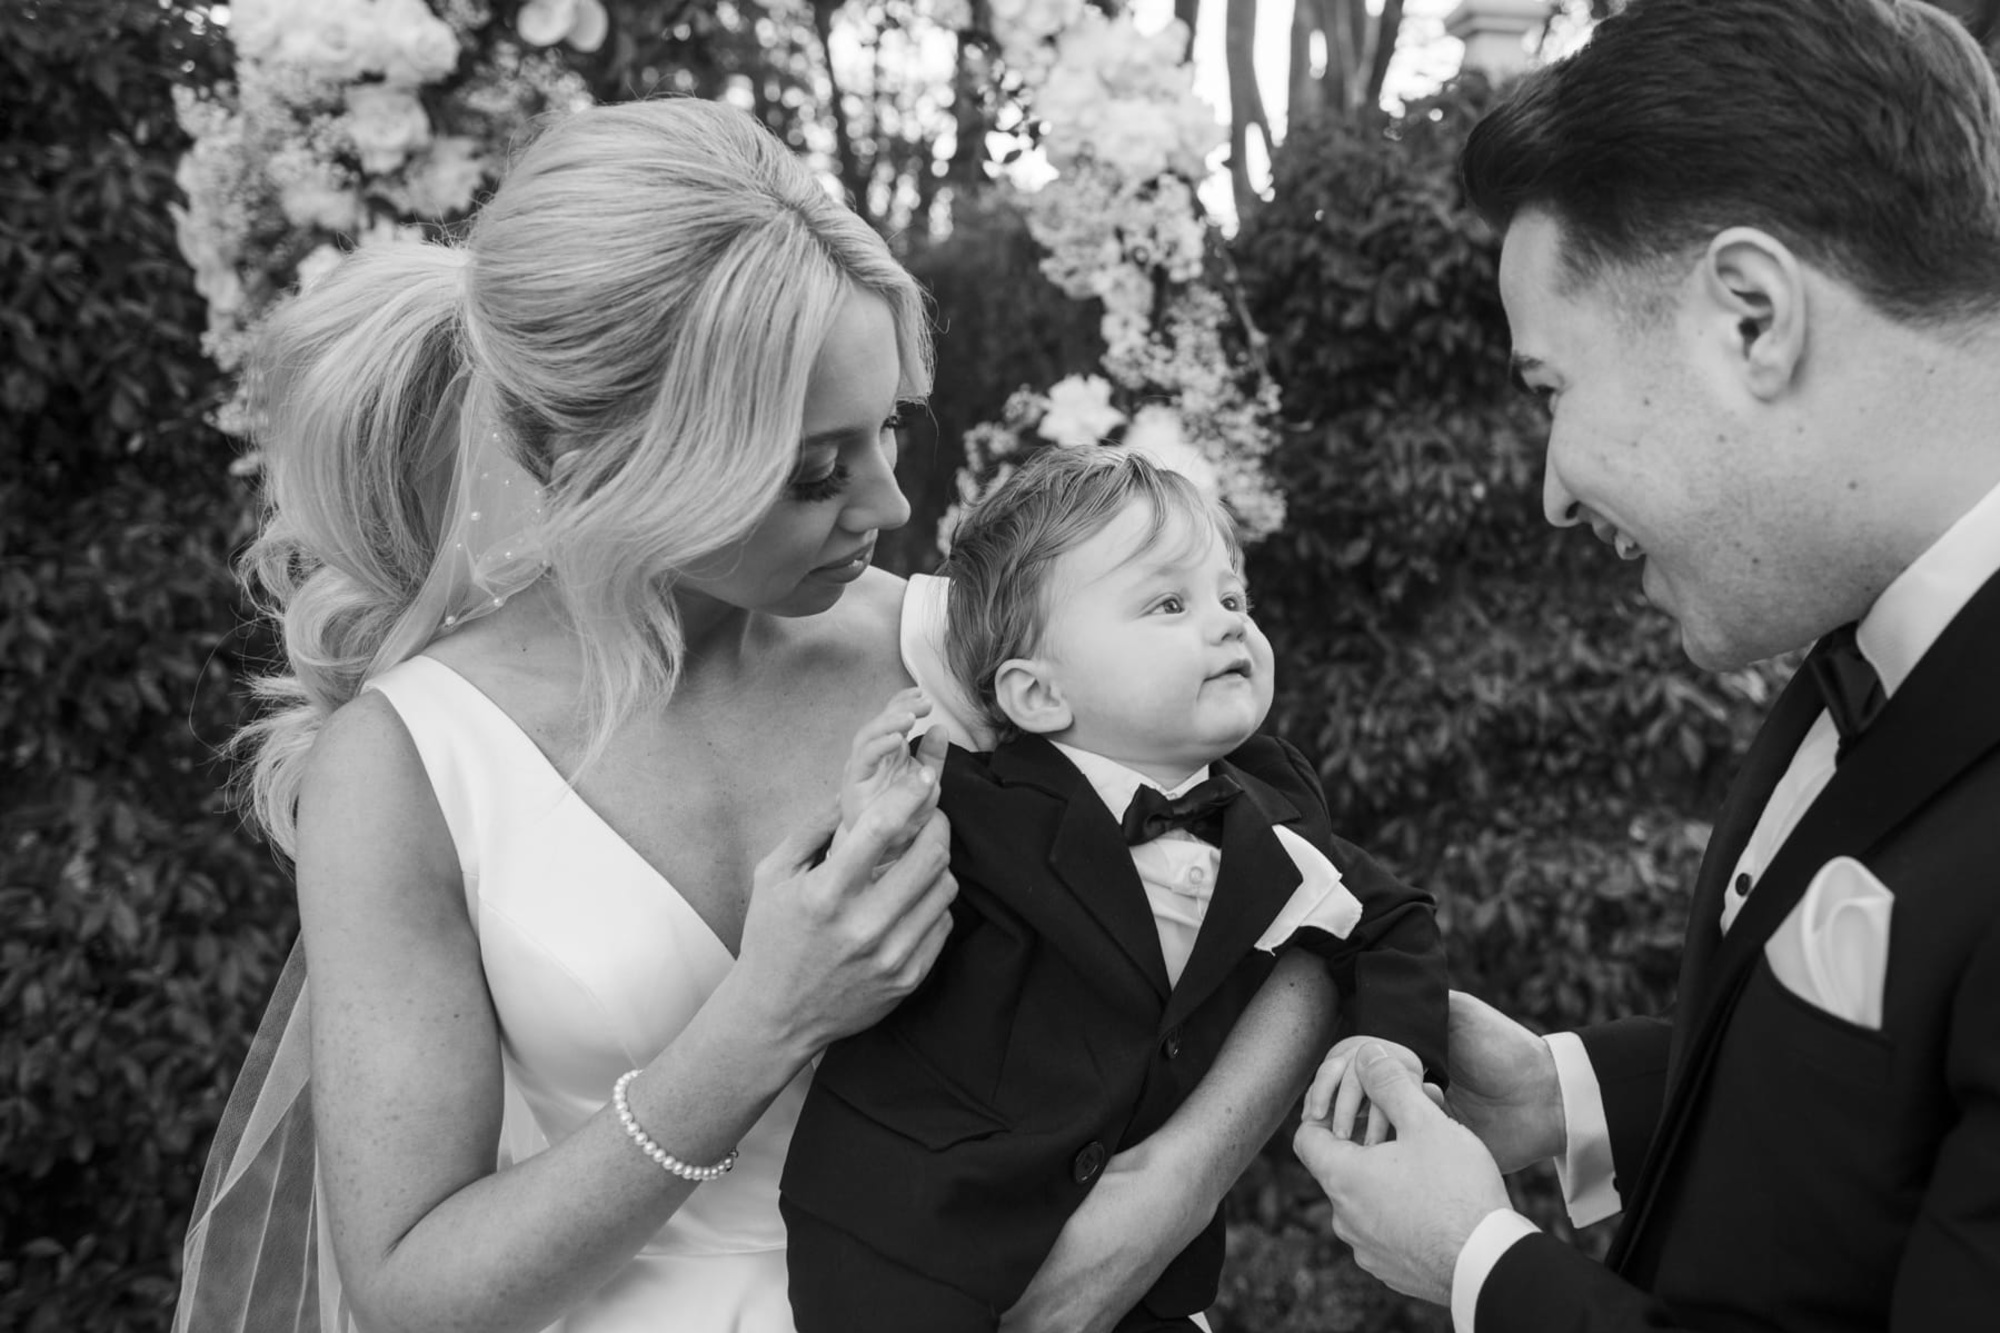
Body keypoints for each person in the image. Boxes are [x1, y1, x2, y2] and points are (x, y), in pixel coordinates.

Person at [173, 98, 1343, 1333]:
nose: (890, 504)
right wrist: (763, 1023)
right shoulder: (408, 767)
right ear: (617, 462)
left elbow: (1315, 911)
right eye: (811, 471)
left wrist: (1160, 1194)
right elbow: (409, 1289)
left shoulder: (977, 655)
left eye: (887, 427)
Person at [1290, 1, 2000, 1329]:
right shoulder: (1876, 625)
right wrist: (1557, 1095)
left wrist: (1484, 1270)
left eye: (1551, 387)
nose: (1555, 492)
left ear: (1750, 317)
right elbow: (1888, 1080)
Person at [779, 446, 1450, 1332]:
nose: (1226, 625)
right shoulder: (977, 802)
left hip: (1141, 1282)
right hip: (909, 1242)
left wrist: (1397, 1051)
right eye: (1170, 603)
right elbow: (843, 931)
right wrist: (872, 826)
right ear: (1038, 693)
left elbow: (1391, 917)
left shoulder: (1272, 804)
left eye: (1232, 596)